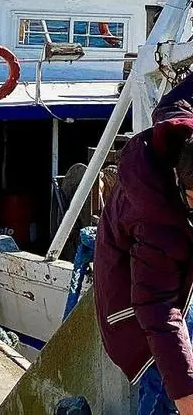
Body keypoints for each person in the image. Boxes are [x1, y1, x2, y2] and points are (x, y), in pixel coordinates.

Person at [95, 84, 193, 414]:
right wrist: (187, 394)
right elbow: (157, 307)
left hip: (179, 290)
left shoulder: (179, 125)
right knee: (168, 387)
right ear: (181, 182)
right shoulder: (154, 213)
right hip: (140, 317)